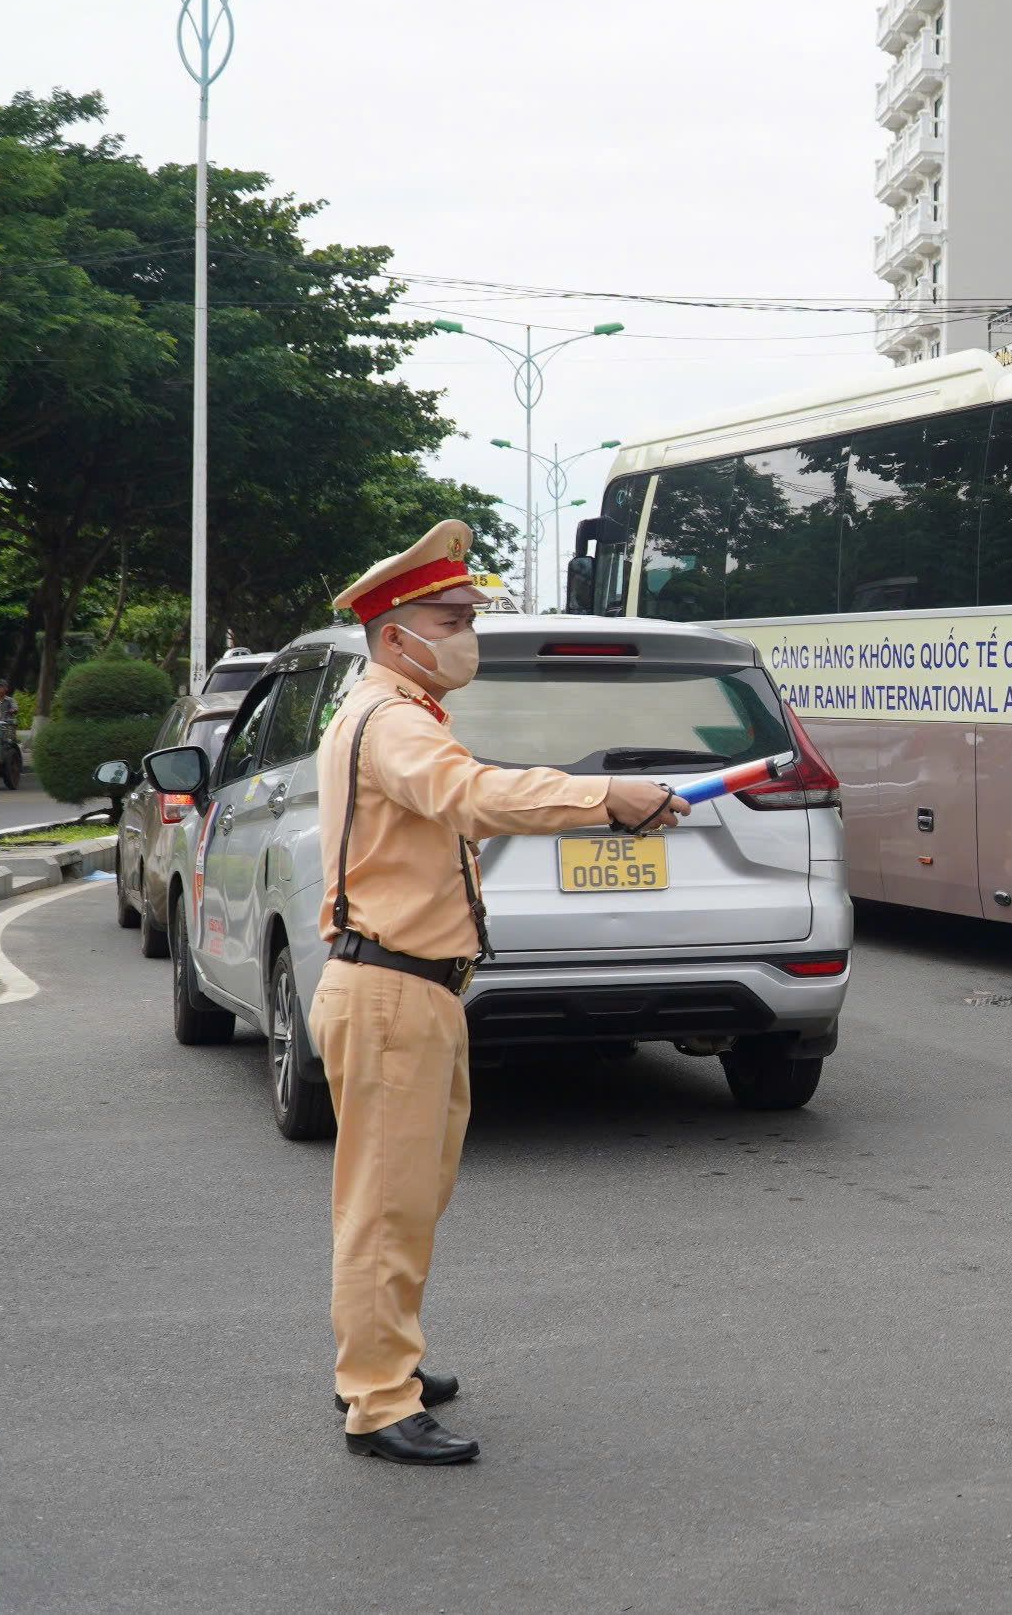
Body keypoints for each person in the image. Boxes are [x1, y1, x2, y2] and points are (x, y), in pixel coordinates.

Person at [314, 519, 690, 1465]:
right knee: (386, 1206)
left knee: (407, 1196)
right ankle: (376, 1399)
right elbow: (468, 797)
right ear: (396, 632)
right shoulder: (393, 721)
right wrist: (601, 798)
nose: (467, 631)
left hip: (412, 990)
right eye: (451, 615)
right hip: (391, 990)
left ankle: (384, 1352)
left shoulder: (400, 710)